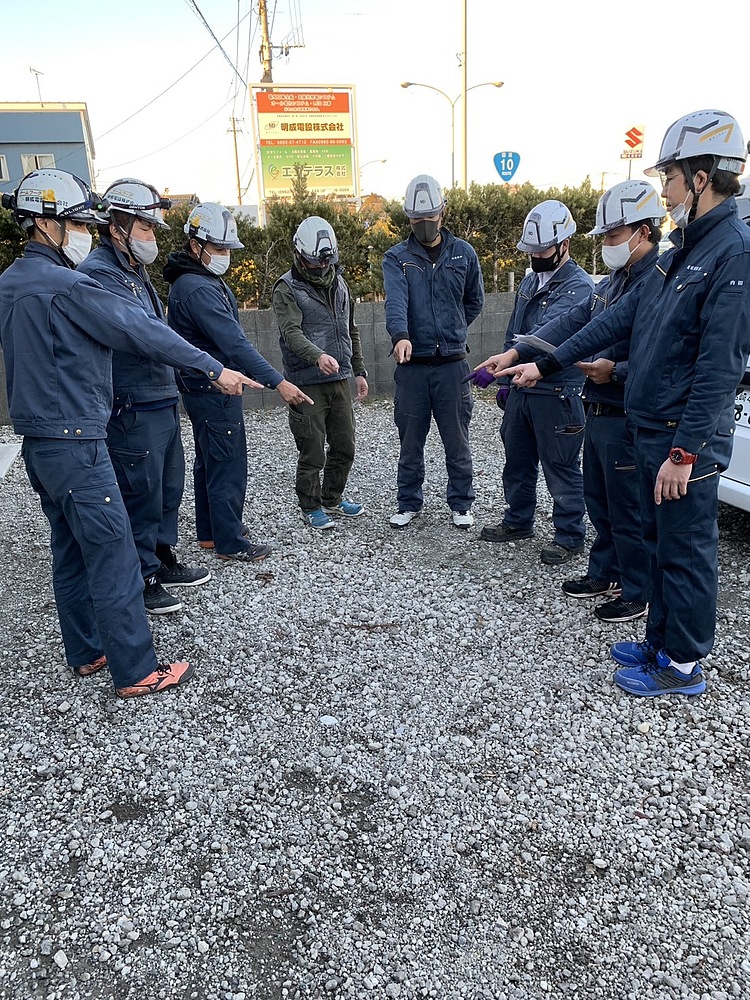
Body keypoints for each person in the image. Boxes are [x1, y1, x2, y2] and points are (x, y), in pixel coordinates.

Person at [497, 110, 750, 697]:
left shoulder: (732, 253)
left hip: (680, 438)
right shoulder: (682, 251)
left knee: (686, 550)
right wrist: (545, 360)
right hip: (649, 427)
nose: (664, 190)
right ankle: (659, 639)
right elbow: (612, 318)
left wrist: (685, 451)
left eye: (671, 177)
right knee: (660, 544)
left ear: (703, 175)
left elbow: (719, 367)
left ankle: (683, 663)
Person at [0, 169, 256, 698]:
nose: (85, 234)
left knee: (69, 546)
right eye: (77, 224)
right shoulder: (70, 286)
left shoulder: (10, 283)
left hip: (37, 442)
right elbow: (142, 332)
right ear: (46, 223)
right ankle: (137, 669)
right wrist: (213, 368)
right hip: (77, 438)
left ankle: (86, 650)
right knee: (114, 550)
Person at [477, 181, 664, 619]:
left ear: (644, 230)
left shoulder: (654, 283)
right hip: (597, 402)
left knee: (625, 506)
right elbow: (576, 328)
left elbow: (664, 357)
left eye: (613, 236)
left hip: (622, 408)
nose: (606, 245)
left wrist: (612, 370)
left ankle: (634, 592)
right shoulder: (614, 282)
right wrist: (516, 353)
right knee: (601, 498)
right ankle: (604, 572)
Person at [78, 178, 210, 616]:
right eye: (145, 228)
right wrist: (207, 365)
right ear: (118, 227)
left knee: (167, 485)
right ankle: (143, 575)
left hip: (159, 395)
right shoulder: (100, 273)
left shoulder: (134, 271)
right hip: (131, 402)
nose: (151, 237)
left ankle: (161, 554)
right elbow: (143, 333)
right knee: (139, 490)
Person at [164, 203, 313, 560]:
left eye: (227, 249)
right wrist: (279, 382)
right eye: (218, 248)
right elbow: (235, 343)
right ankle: (230, 542)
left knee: (209, 459)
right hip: (214, 386)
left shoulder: (197, 279)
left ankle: (211, 532)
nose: (225, 255)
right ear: (195, 244)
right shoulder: (197, 288)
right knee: (227, 462)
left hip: (203, 384)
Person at [479, 200, 593, 564]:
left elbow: (551, 334)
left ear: (564, 244)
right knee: (517, 461)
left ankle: (570, 534)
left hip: (557, 391)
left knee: (560, 467)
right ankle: (518, 520)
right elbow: (515, 331)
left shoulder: (579, 287)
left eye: (542, 249)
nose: (535, 256)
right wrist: (503, 379)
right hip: (520, 387)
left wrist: (512, 359)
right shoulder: (529, 281)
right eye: (531, 249)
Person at [382, 174, 484, 529]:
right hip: (411, 366)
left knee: (457, 441)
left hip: (453, 366)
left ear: (443, 212)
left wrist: (452, 330)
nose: (423, 225)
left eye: (429, 217)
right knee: (410, 442)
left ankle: (461, 503)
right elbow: (396, 301)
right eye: (415, 219)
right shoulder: (397, 258)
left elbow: (474, 301)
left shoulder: (464, 253)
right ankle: (409, 502)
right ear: (408, 218)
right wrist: (401, 335)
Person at [272, 217, 368, 529]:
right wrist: (317, 356)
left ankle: (333, 498)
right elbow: (291, 332)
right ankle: (310, 504)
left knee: (345, 445)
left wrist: (359, 370)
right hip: (306, 382)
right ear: (300, 254)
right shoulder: (286, 288)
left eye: (327, 260)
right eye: (316, 261)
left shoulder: (340, 283)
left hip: (339, 379)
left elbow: (349, 329)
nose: (322, 266)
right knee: (312, 447)